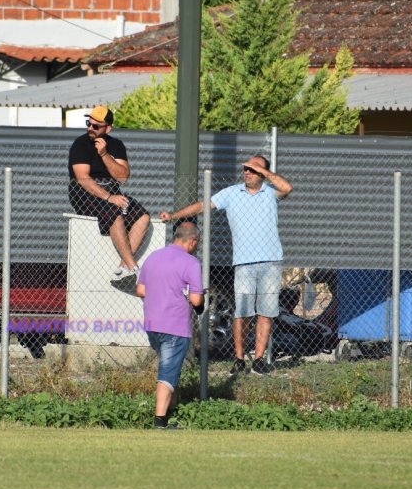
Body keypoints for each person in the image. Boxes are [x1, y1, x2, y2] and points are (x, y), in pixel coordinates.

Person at [160, 155, 293, 376]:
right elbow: (204, 205)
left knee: (266, 312)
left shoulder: (270, 192)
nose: (247, 172)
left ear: (263, 172)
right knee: (242, 313)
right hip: (243, 263)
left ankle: (259, 360)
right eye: (245, 169)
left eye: (252, 169)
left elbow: (287, 187)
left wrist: (265, 172)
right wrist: (174, 215)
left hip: (271, 261)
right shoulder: (232, 193)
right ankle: (239, 360)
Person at [68, 105, 150, 284]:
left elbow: (123, 176)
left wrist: (105, 155)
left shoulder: (116, 145)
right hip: (84, 194)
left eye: (96, 126)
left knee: (143, 217)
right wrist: (109, 197)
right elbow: (82, 178)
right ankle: (133, 268)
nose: (90, 128)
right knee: (114, 213)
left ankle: (122, 269)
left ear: (108, 128)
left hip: (112, 192)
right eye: (88, 123)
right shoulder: (80, 144)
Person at [136, 221, 205, 429]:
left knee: (171, 367)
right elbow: (196, 300)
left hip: (152, 324)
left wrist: (162, 294)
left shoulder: (153, 257)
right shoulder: (191, 263)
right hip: (174, 326)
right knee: (167, 372)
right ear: (192, 241)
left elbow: (141, 290)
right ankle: (160, 421)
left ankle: (170, 408)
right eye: (197, 243)